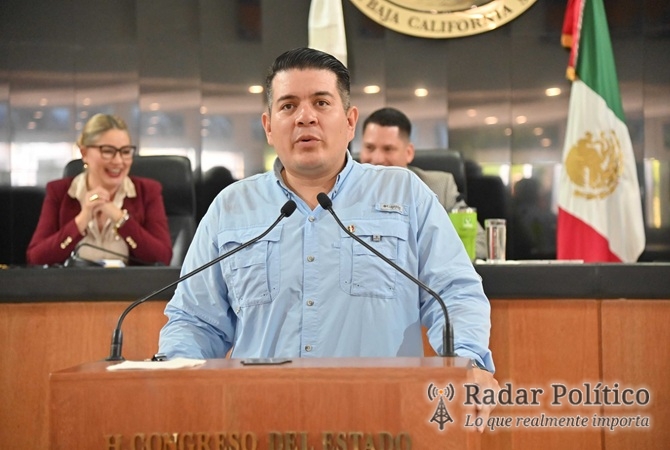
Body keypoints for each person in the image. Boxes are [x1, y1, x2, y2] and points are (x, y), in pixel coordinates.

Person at [158, 48, 498, 428]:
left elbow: (454, 293)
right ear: (268, 126)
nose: (305, 117)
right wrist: (174, 374)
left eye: (321, 102)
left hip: (382, 420)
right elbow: (195, 319)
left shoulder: (405, 195)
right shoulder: (231, 207)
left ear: (350, 122)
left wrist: (469, 362)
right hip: (261, 418)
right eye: (288, 106)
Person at [26, 113, 172, 266]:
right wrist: (81, 220)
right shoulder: (59, 192)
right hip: (74, 282)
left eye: (125, 152)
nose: (118, 161)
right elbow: (36, 258)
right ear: (84, 153)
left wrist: (120, 219)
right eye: (108, 151)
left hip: (132, 282)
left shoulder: (147, 191)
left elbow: (162, 258)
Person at [359, 107, 487, 259]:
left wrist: (422, 261)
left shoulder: (439, 187)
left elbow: (480, 243)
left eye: (388, 149)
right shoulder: (344, 187)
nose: (377, 159)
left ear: (409, 152)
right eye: (369, 148)